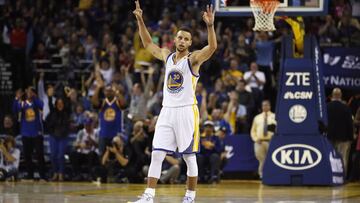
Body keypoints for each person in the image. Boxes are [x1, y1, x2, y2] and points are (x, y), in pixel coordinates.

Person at [130, 1, 217, 203]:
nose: (182, 41)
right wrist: (140, 20)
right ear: (174, 39)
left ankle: (190, 197)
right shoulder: (167, 56)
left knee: (188, 157)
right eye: (179, 37)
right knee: (157, 153)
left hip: (186, 111)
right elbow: (148, 44)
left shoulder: (193, 59)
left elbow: (212, 47)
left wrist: (210, 26)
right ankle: (149, 196)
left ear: (189, 43)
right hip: (167, 111)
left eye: (186, 39)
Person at [13, 87, 47, 180]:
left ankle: (42, 175)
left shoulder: (36, 102)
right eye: (27, 91)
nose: (29, 93)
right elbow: (15, 109)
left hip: (37, 132)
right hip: (26, 133)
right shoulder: (23, 103)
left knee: (40, 154)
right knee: (27, 155)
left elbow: (41, 105)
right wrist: (17, 98)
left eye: (31, 92)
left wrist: (35, 97)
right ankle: (30, 175)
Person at [91, 80, 126, 156]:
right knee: (102, 157)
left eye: (111, 91)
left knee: (117, 156)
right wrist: (98, 88)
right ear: (104, 92)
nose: (109, 92)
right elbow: (94, 102)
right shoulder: (103, 102)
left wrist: (117, 92)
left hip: (116, 134)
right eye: (107, 91)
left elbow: (124, 104)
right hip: (103, 134)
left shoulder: (117, 101)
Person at [327, 88, 354, 176]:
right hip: (344, 138)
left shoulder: (326, 107)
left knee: (330, 157)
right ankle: (342, 177)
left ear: (332, 95)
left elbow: (322, 122)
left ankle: (330, 176)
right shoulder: (346, 108)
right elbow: (350, 124)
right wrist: (351, 137)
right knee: (342, 158)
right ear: (340, 96)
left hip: (329, 137)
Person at [46, 98, 71, 181]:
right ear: (56, 104)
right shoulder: (52, 113)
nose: (60, 105)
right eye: (58, 103)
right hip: (53, 136)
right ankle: (55, 173)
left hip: (63, 136)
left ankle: (61, 173)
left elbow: (69, 105)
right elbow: (50, 107)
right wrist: (50, 98)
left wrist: (68, 97)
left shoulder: (67, 112)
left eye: (62, 103)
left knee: (60, 155)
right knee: (53, 155)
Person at [250, 100, 276, 179]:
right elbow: (253, 131)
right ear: (261, 107)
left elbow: (278, 129)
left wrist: (275, 138)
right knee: (262, 159)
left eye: (267, 105)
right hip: (259, 141)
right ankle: (262, 175)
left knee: (272, 159)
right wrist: (255, 139)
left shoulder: (275, 116)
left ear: (270, 106)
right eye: (263, 105)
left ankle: (272, 175)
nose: (265, 107)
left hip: (271, 141)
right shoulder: (257, 118)